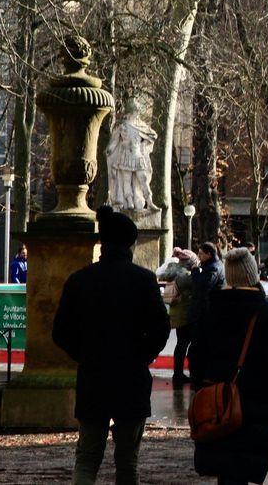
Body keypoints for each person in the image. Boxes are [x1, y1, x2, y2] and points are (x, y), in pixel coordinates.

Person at [53, 206, 170, 485]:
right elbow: (160, 328)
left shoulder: (80, 280)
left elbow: (60, 332)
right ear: (130, 244)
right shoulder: (143, 280)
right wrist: (141, 355)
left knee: (87, 459)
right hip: (131, 377)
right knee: (128, 461)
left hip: (93, 376)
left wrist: (84, 354)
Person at [188, 248, 268, 485]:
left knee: (225, 471)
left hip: (216, 402)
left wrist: (202, 387)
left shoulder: (211, 310)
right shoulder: (267, 314)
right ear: (252, 273)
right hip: (255, 404)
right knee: (242, 470)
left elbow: (196, 357)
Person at [160, 248, 198, 386]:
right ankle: (179, 373)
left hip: (176, 311)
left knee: (181, 344)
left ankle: (178, 372)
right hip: (185, 313)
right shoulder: (185, 276)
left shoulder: (173, 272)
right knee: (184, 344)